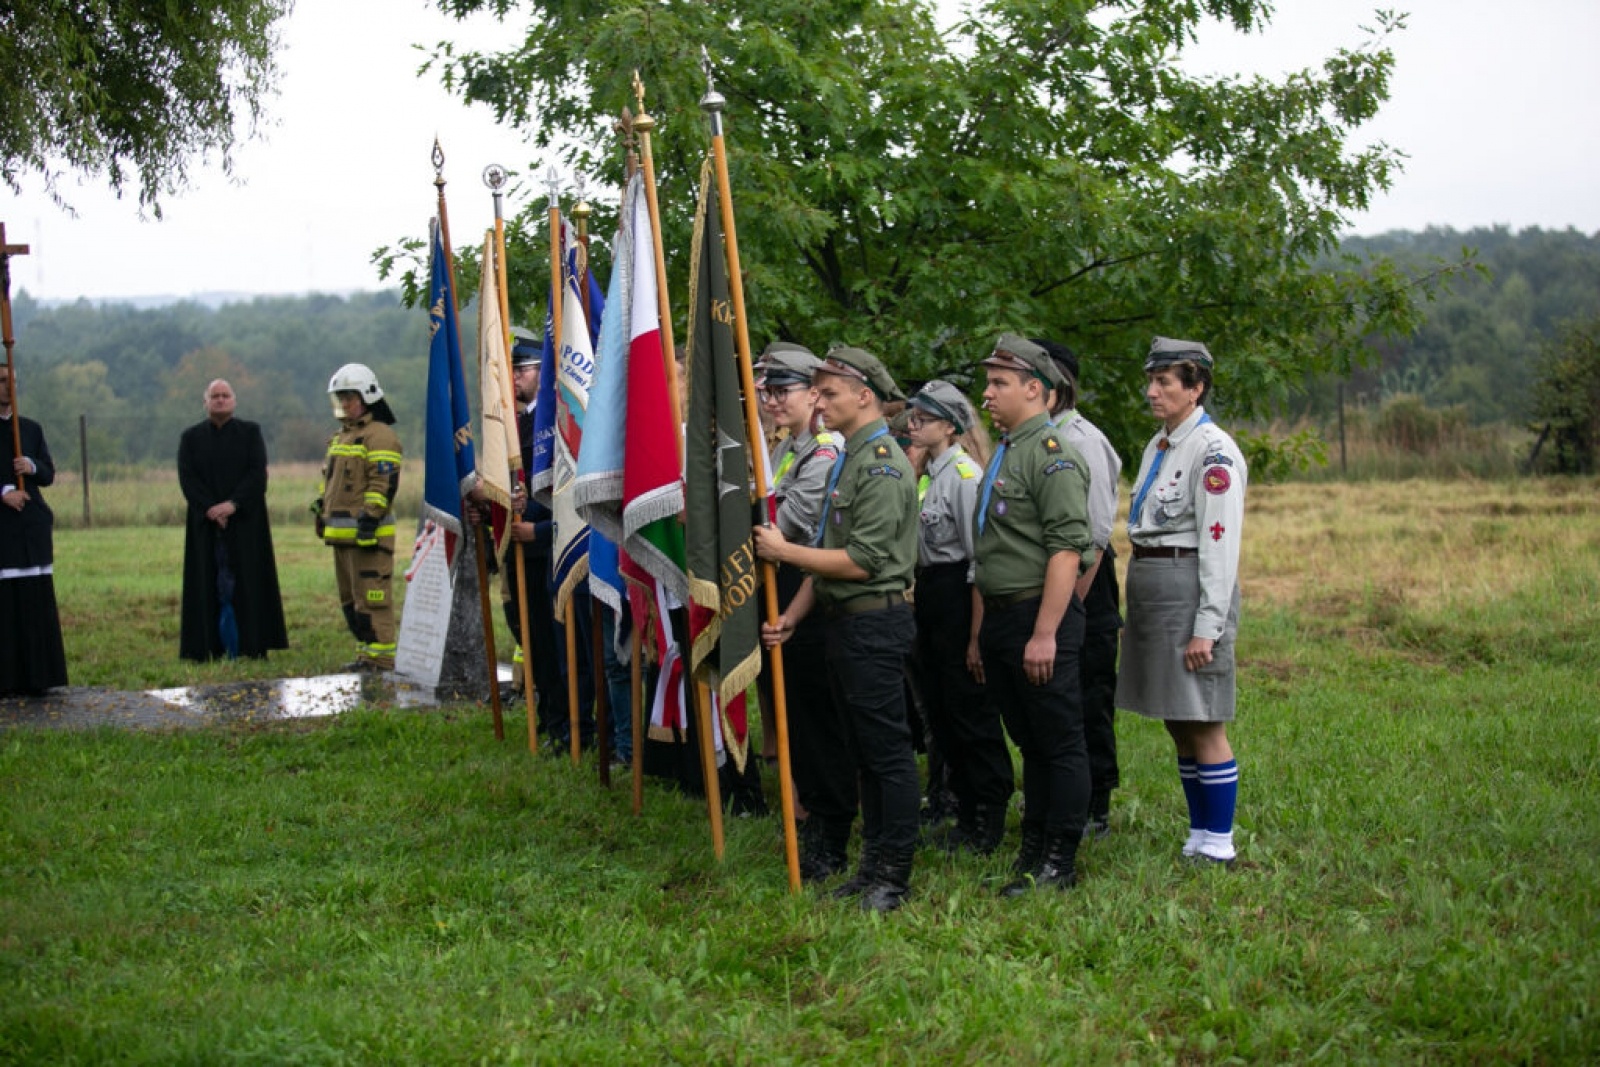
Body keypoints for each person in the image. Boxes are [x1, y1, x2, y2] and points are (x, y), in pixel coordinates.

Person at [754, 345, 920, 912]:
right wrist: (793, 618)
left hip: (875, 622)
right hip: (842, 622)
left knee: (887, 755)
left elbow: (862, 560)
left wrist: (784, 550)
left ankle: (893, 875)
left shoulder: (881, 464)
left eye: (828, 391)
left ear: (864, 395)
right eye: (817, 391)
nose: (818, 400)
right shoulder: (851, 456)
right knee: (862, 751)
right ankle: (871, 865)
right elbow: (828, 551)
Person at [1116, 336, 1248, 866]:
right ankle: (1198, 831)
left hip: (1186, 585)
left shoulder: (1213, 453)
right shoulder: (1162, 443)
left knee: (1203, 715)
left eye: (1165, 382)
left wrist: (1207, 626)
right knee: (1176, 717)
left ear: (1195, 389)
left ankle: (1219, 839)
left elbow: (1219, 546)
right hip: (1153, 582)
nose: (1152, 392)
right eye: (1151, 381)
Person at [974, 334, 1096, 895]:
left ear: (1037, 391)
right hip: (1004, 617)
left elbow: (1067, 550)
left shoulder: (1052, 458)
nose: (987, 393)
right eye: (989, 381)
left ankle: (1059, 860)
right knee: (1032, 741)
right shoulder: (1008, 449)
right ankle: (1035, 845)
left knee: (1058, 740)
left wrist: (1045, 634)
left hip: (1036, 617)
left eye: (999, 383)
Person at [754, 341, 855, 881]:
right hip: (784, 585)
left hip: (809, 590)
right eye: (766, 390)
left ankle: (826, 816)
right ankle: (809, 809)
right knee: (794, 711)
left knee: (816, 716)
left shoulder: (823, 452)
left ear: (814, 395)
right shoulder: (786, 448)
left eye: (782, 390)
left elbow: (786, 524)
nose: (771, 401)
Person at [905, 379, 1013, 855]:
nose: (913, 425)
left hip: (958, 597)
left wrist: (975, 635)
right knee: (944, 708)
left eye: (924, 419)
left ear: (949, 426)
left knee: (970, 710)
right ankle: (963, 811)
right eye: (912, 417)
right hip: (931, 594)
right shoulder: (933, 472)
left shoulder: (965, 475)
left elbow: (978, 562)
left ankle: (988, 814)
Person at [1037, 339, 1124, 837]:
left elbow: (1090, 536)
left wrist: (1070, 608)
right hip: (1059, 577)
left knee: (1088, 689)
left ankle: (1097, 804)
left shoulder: (1082, 440)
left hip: (1085, 581)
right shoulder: (1040, 439)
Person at [177, 379, 288, 661]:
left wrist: (232, 505)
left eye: (226, 395)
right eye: (215, 396)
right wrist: (210, 509)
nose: (220, 400)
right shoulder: (190, 438)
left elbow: (256, 475)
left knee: (248, 581)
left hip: (245, 522)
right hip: (205, 523)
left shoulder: (250, 433)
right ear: (205, 402)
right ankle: (206, 647)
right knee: (206, 581)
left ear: (234, 401)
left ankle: (251, 645)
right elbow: (187, 478)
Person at [313, 363, 403, 672]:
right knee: (352, 602)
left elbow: (383, 483)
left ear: (366, 397)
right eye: (340, 398)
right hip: (342, 538)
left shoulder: (380, 436)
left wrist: (370, 518)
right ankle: (366, 655)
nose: (343, 405)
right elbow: (332, 483)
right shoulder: (342, 437)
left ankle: (382, 659)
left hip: (368, 537)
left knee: (373, 600)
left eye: (348, 398)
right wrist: (320, 510)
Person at [0, 369, 68, 696]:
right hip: (3, 531)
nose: (6, 387)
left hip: (32, 527)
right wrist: (3, 492)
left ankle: (39, 676)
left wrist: (31, 466)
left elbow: (48, 473)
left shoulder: (30, 428)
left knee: (35, 601)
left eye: (11, 381)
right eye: (0, 381)